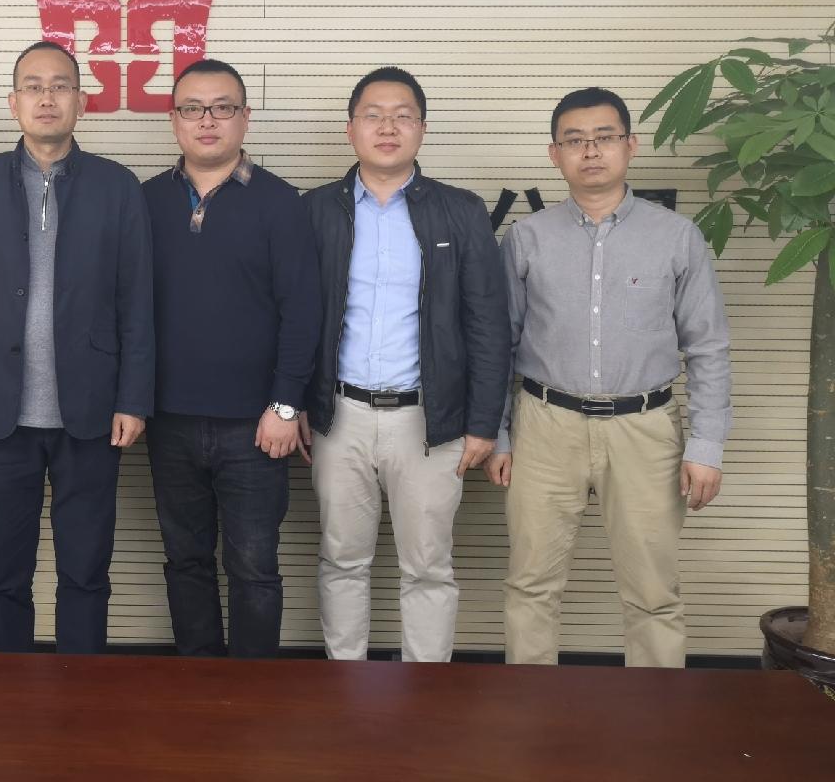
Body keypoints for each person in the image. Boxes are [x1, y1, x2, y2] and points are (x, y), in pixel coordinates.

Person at [487, 87, 730, 668]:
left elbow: (708, 346)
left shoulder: (677, 237)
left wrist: (706, 446)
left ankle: (657, 712)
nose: (590, 151)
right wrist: (498, 434)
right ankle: (529, 708)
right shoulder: (527, 237)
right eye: (574, 140)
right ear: (555, 154)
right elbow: (500, 344)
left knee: (653, 592)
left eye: (604, 137)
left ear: (630, 145)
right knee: (530, 584)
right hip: (545, 424)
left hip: (645, 428)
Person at [0, 39, 154, 654]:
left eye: (60, 86)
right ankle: (5, 694)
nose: (47, 97)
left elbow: (137, 302)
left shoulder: (117, 186)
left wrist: (133, 399)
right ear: (14, 103)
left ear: (81, 102)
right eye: (33, 86)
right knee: (3, 574)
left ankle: (82, 692)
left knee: (85, 570)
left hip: (91, 411)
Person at [303, 66, 509, 662]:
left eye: (402, 116)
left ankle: (427, 690)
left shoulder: (460, 212)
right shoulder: (314, 210)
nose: (387, 127)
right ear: (350, 130)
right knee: (342, 559)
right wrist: (295, 403)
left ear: (422, 128)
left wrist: (483, 424)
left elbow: (488, 324)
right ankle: (345, 681)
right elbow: (292, 317)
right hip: (338, 415)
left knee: (429, 566)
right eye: (373, 115)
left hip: (430, 420)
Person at [142, 58, 319, 657]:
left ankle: (252, 690)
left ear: (245, 117)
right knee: (185, 561)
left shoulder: (280, 203)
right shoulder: (144, 201)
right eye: (193, 108)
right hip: (168, 421)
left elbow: (302, 313)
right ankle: (199, 682)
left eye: (223, 107)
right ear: (174, 120)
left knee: (254, 568)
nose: (208, 120)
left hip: (256, 426)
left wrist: (286, 406)